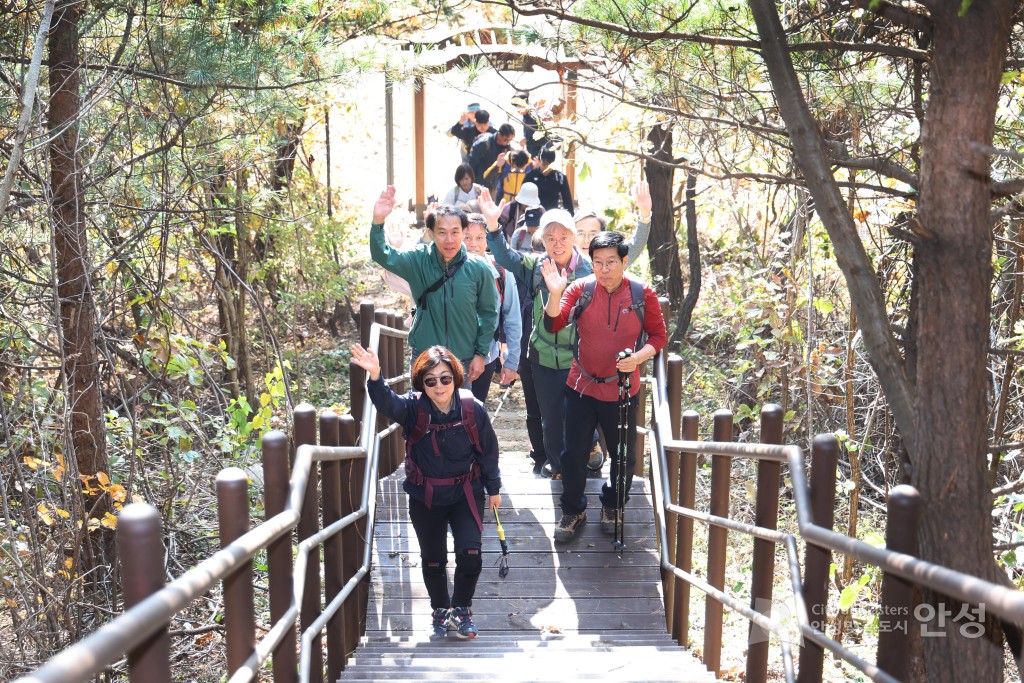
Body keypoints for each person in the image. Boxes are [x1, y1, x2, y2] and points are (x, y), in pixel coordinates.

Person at [351, 344, 502, 638]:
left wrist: (493, 488)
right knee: (433, 559)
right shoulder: (412, 409)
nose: (439, 386)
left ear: (456, 378)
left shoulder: (472, 409)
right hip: (426, 496)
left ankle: (461, 610)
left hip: (465, 492)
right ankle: (440, 611)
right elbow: (386, 403)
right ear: (422, 383)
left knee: (470, 554)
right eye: (430, 381)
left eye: (445, 378)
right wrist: (375, 375)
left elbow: (488, 452)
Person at [540, 231, 667, 542]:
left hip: (622, 390)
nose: (604, 269)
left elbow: (659, 337)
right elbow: (552, 324)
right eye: (598, 262)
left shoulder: (642, 294)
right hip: (581, 386)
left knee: (624, 455)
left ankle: (613, 505)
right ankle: (573, 510)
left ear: (624, 261)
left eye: (611, 262)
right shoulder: (580, 289)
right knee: (573, 453)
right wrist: (555, 294)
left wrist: (637, 357)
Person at [482, 190, 593, 479]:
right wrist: (493, 226)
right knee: (551, 419)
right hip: (543, 355)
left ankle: (583, 458)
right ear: (542, 240)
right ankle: (558, 467)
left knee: (581, 414)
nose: (557, 244)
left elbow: (624, 260)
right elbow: (504, 257)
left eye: (564, 237)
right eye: (551, 238)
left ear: (574, 238)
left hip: (580, 357)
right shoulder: (536, 266)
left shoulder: (590, 271)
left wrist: (645, 218)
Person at [370, 186, 499, 383]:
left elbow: (488, 313)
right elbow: (383, 256)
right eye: (442, 232)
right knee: (422, 413)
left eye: (455, 232)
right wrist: (378, 221)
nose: (449, 240)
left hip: (462, 359)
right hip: (425, 358)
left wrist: (481, 354)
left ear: (463, 232)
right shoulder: (418, 260)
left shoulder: (479, 268)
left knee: (460, 413)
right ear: (430, 232)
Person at [462, 213, 522, 401]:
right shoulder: (446, 269)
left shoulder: (500, 271)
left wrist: (512, 361)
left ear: (488, 240)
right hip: (451, 355)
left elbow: (512, 318)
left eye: (479, 237)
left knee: (476, 409)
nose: (473, 244)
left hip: (487, 355)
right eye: (467, 237)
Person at [524, 147, 574, 212]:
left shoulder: (559, 177)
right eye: (544, 163)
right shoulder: (530, 176)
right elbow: (524, 196)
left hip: (552, 213)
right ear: (540, 160)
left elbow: (567, 200)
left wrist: (570, 215)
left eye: (549, 163)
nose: (546, 167)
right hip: (534, 212)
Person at [470, 124, 516, 193]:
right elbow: (471, 164)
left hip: (494, 184)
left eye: (509, 140)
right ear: (499, 134)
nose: (507, 143)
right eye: (506, 140)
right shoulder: (483, 144)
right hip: (479, 182)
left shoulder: (507, 148)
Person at [512, 91, 548, 159]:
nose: (518, 110)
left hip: (542, 156)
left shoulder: (535, 116)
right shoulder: (525, 117)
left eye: (519, 106)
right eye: (516, 107)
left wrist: (527, 141)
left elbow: (546, 138)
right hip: (533, 156)